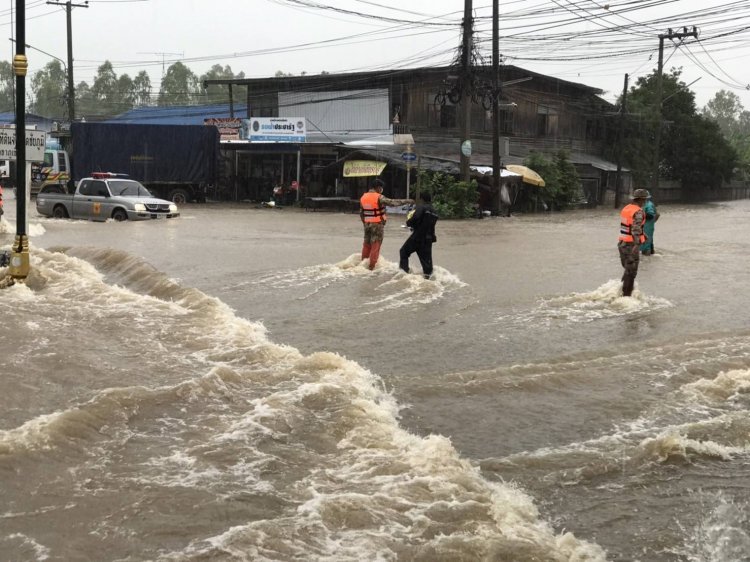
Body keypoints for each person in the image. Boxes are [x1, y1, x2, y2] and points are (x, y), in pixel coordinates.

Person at [359, 178, 413, 270]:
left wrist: (365, 223)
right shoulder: (379, 197)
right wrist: (408, 201)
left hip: (367, 224)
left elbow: (361, 213)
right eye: (381, 188)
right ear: (379, 188)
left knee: (366, 245)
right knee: (375, 245)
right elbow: (393, 202)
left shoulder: (363, 197)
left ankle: (362, 265)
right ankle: (371, 267)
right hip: (377, 225)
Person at [399, 191, 438, 278]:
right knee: (427, 266)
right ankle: (428, 279)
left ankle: (404, 275)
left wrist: (408, 223)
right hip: (428, 240)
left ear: (421, 199)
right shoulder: (434, 211)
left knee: (403, 252)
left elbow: (415, 217)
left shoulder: (421, 207)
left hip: (417, 237)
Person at [618, 188, 648, 297]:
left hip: (622, 243)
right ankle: (626, 297)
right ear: (641, 199)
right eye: (645, 200)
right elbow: (635, 228)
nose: (645, 202)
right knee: (631, 273)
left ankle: (620, 292)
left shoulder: (627, 208)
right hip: (631, 245)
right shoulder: (638, 211)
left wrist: (643, 235)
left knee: (628, 270)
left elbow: (629, 226)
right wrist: (637, 244)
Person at [640, 191, 660, 255]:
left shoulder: (648, 205)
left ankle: (647, 261)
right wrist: (652, 223)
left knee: (645, 247)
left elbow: (650, 215)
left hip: (646, 228)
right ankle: (651, 259)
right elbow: (657, 214)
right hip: (649, 228)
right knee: (649, 243)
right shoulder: (649, 203)